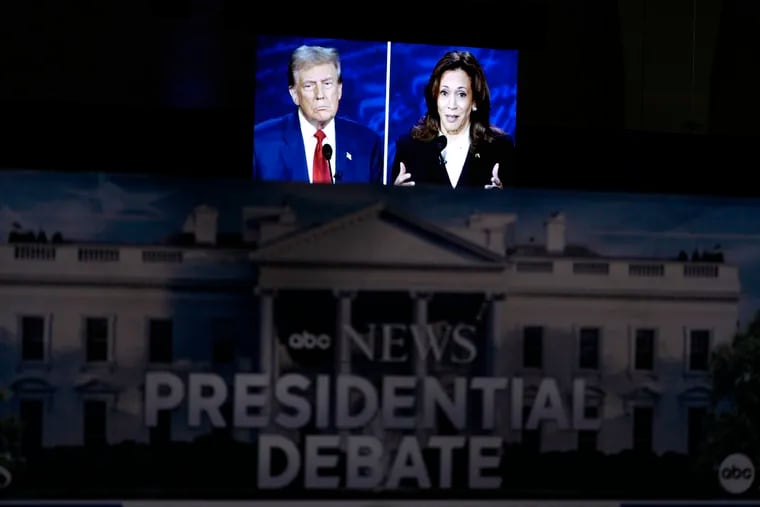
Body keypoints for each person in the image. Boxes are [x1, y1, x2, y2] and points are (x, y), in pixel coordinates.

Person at [253, 45, 383, 184]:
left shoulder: (367, 143)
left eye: (327, 84)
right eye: (309, 86)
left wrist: (394, 194)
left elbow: (377, 201)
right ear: (294, 94)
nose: (320, 95)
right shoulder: (260, 142)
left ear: (339, 90)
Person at [391, 50, 515, 189]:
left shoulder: (500, 148)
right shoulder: (410, 147)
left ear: (474, 101)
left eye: (461, 94)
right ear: (435, 96)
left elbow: (519, 206)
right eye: (444, 93)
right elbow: (391, 207)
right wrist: (395, 196)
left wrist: (504, 199)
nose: (451, 104)